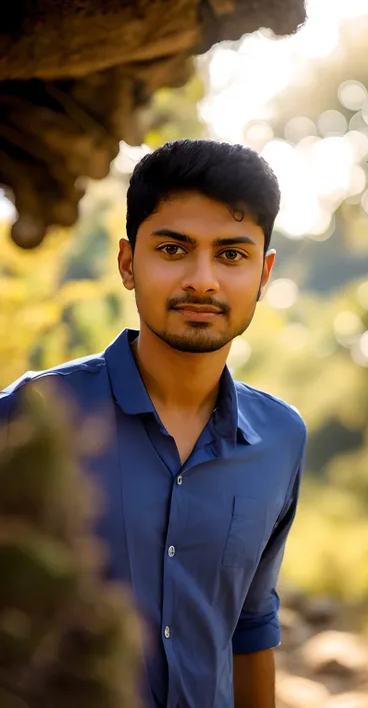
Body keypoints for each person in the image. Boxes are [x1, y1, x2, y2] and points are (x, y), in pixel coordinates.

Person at [0, 139, 308, 708]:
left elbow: (250, 625)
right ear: (127, 263)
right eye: (173, 249)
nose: (202, 280)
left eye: (232, 255)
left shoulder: (281, 439)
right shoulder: (29, 416)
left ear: (264, 273)